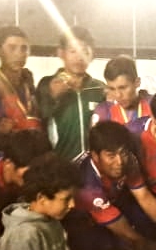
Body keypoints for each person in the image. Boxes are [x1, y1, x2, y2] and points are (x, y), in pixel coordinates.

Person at [66, 121, 156, 250]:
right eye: (111, 156)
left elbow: (143, 196)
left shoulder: (128, 160)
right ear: (95, 156)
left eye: (123, 153)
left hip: (113, 202)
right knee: (111, 249)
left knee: (146, 223)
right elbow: (124, 231)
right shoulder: (85, 183)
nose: (119, 162)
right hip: (82, 220)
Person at [36, 26, 106, 161]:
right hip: (60, 166)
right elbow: (38, 120)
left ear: (92, 56)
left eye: (85, 52)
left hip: (93, 167)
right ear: (61, 53)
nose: (79, 57)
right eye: (73, 51)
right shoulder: (46, 85)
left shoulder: (99, 88)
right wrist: (52, 97)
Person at [92, 55, 152, 129]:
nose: (118, 95)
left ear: (137, 82)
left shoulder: (154, 105)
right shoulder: (103, 112)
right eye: (112, 89)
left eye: (123, 88)